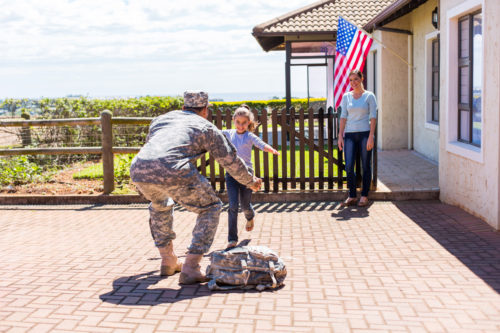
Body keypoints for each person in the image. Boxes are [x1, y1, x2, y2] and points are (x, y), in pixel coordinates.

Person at [130, 91, 262, 285]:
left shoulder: (161, 119)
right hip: (173, 168)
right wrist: (250, 181)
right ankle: (191, 267)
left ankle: (168, 260)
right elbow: (230, 161)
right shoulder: (206, 127)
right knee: (210, 207)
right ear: (205, 110)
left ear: (183, 108)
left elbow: (154, 146)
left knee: (160, 204)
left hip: (140, 168)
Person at [222, 105, 279, 248]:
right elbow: (212, 134)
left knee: (245, 205)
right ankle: (232, 239)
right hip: (231, 175)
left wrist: (271, 150)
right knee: (233, 206)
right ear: (233, 120)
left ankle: (250, 216)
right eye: (238, 122)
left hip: (247, 176)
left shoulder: (249, 136)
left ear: (249, 123)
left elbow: (261, 144)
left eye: (244, 123)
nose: (241, 126)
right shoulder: (228, 133)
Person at [337, 69, 377, 207]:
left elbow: (373, 117)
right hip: (349, 135)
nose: (353, 82)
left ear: (361, 79)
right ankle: (352, 195)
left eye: (356, 79)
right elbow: (343, 117)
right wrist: (340, 136)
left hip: (365, 133)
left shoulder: (369, 96)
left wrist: (371, 136)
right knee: (348, 166)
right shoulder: (346, 97)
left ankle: (364, 195)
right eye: (351, 80)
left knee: (365, 165)